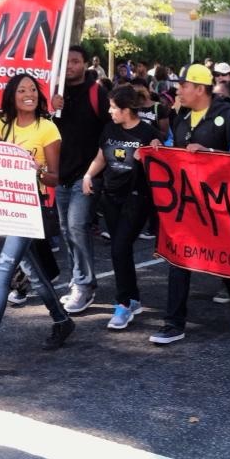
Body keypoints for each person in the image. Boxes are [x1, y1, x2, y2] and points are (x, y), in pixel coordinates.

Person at [0, 74, 74, 377]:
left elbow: (56, 178)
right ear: (12, 96)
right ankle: (61, 320)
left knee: (4, 269)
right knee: (31, 269)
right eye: (22, 90)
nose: (29, 94)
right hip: (7, 207)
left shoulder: (47, 128)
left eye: (33, 89)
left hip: (33, 208)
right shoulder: (2, 126)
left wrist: (38, 169)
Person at [148, 64, 230, 345]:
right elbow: (177, 150)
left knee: (222, 258)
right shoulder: (180, 114)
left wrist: (209, 153)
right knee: (177, 258)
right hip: (186, 201)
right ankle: (173, 323)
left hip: (219, 202)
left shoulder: (228, 116)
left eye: (183, 85)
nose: (178, 90)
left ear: (200, 88)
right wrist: (160, 149)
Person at [81, 84, 158, 329]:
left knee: (119, 247)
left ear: (127, 110)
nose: (110, 111)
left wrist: (149, 156)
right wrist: (87, 176)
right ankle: (132, 298)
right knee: (119, 250)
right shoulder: (109, 128)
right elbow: (101, 156)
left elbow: (162, 165)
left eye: (114, 107)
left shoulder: (148, 133)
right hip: (110, 196)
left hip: (136, 198)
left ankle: (123, 303)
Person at [49, 46, 111, 314]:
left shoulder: (97, 92)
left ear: (86, 64)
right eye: (66, 62)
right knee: (66, 229)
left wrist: (97, 168)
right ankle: (78, 278)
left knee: (76, 226)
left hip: (87, 174)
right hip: (60, 173)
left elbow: (111, 127)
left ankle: (85, 285)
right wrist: (50, 109)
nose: (70, 66)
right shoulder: (53, 92)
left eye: (75, 61)